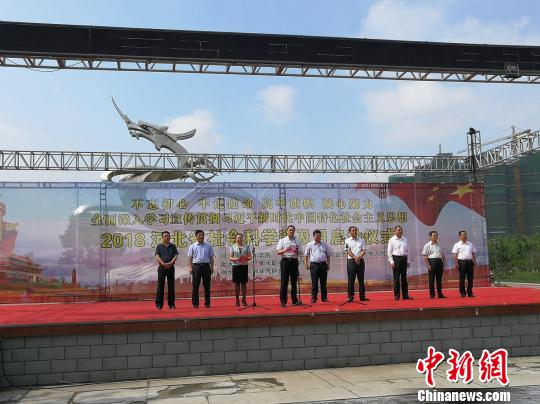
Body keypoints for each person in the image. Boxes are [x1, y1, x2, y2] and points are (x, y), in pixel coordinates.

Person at [187, 230, 215, 308]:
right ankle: (195, 303)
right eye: (199, 235)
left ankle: (207, 303)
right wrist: (190, 267)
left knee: (207, 286)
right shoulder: (192, 246)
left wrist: (212, 267)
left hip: (206, 267)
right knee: (195, 286)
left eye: (202, 235)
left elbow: (211, 257)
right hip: (196, 267)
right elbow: (190, 258)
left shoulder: (208, 246)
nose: (201, 236)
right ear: (196, 236)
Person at [276, 225, 302, 307]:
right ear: (287, 231)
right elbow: (278, 252)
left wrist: (297, 251)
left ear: (294, 231)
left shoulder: (296, 240)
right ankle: (283, 301)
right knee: (284, 282)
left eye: (292, 230)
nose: (291, 231)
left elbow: (301, 251)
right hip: (285, 261)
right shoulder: (282, 240)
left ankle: (294, 300)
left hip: (294, 261)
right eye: (290, 230)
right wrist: (285, 250)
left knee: (294, 282)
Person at [304, 229, 331, 303]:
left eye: (319, 235)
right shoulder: (310, 244)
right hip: (314, 265)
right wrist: (306, 264)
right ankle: (314, 298)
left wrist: (328, 265)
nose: (318, 237)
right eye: (317, 235)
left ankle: (324, 298)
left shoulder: (324, 244)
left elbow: (328, 255)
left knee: (323, 282)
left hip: (323, 264)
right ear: (313, 236)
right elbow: (306, 255)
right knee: (314, 282)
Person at [154, 231, 179, 310]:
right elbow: (157, 256)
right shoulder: (159, 246)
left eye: (168, 236)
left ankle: (171, 304)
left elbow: (176, 255)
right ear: (162, 237)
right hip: (162, 268)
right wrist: (163, 263)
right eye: (165, 236)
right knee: (160, 286)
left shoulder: (173, 246)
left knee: (171, 286)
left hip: (171, 268)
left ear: (170, 237)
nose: (166, 237)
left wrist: (170, 263)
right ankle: (159, 304)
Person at [387, 225, 412, 300]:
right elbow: (389, 251)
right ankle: (397, 295)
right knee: (396, 278)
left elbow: (407, 251)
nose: (400, 231)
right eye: (398, 230)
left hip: (404, 259)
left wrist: (408, 261)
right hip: (396, 259)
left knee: (404, 278)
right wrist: (391, 261)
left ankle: (405, 295)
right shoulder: (392, 240)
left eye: (401, 230)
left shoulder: (405, 239)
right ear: (395, 231)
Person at [345, 226, 369, 302]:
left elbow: (363, 250)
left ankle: (362, 297)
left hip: (360, 261)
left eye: (355, 230)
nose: (354, 232)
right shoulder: (347, 241)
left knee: (361, 280)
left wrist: (359, 257)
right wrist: (354, 257)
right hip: (351, 261)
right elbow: (348, 251)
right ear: (349, 232)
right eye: (353, 230)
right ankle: (350, 297)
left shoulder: (361, 240)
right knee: (351, 280)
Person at [421, 231, 446, 299]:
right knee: (431, 279)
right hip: (432, 262)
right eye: (434, 235)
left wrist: (444, 264)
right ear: (430, 237)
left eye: (437, 235)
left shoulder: (440, 245)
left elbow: (443, 255)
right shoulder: (427, 245)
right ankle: (432, 294)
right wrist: (428, 265)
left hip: (439, 262)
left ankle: (440, 294)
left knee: (439, 280)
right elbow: (425, 256)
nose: (436, 236)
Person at [452, 230, 477, 297]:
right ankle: (462, 292)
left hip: (469, 262)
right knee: (462, 278)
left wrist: (475, 261)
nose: (465, 236)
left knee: (470, 278)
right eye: (463, 235)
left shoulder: (470, 244)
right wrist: (456, 263)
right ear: (460, 236)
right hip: (461, 262)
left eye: (465, 234)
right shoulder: (457, 245)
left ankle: (470, 292)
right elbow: (455, 255)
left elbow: (474, 253)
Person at [229, 233, 252, 307]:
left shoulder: (246, 246)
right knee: (237, 284)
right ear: (235, 239)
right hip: (236, 266)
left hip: (244, 266)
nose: (239, 239)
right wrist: (237, 259)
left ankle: (244, 300)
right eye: (238, 238)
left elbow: (250, 256)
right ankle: (237, 300)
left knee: (244, 284)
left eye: (241, 238)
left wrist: (245, 258)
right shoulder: (233, 246)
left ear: (243, 239)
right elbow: (230, 257)